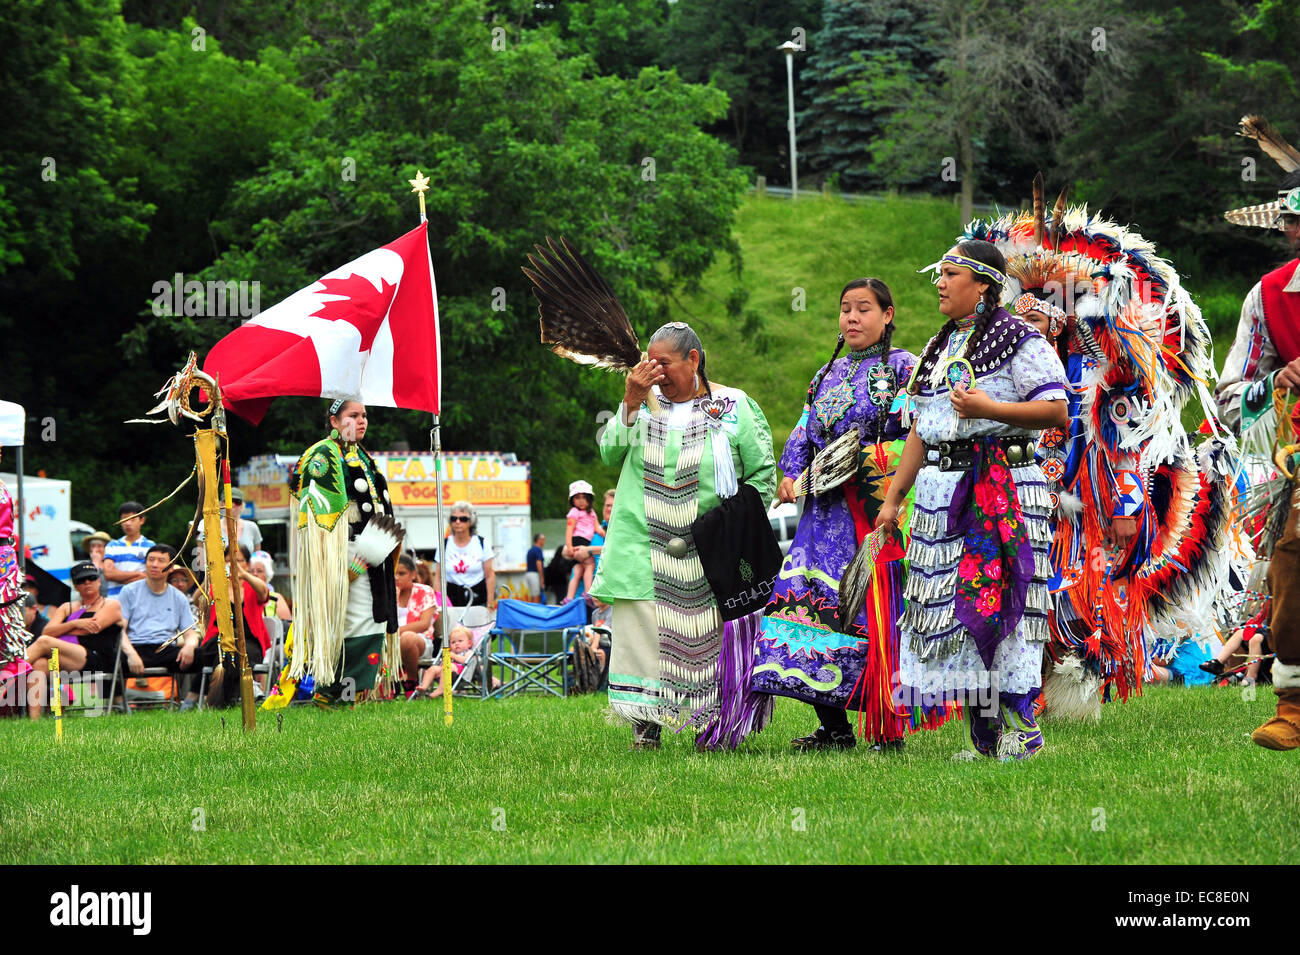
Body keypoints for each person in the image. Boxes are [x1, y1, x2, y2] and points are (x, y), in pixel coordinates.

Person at [985, 193, 1233, 721]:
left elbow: (1127, 443)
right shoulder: (1015, 368)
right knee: (1025, 586)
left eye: (1038, 322)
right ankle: (1028, 692)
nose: (1026, 332)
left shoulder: (1107, 372)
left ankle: (1069, 693)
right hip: (1029, 496)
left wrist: (1126, 506)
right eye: (1020, 323)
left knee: (1078, 593)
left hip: (1087, 507)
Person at [877, 240, 1068, 760]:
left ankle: (1025, 730)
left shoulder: (1019, 340)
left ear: (982, 284)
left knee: (1002, 597)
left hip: (1001, 487)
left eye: (950, 274)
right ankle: (984, 739)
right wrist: (895, 498)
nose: (939, 282)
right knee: (953, 610)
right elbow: (922, 427)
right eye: (937, 274)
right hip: (942, 492)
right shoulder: (939, 347)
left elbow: (1056, 411)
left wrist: (990, 406)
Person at [754, 278, 945, 751]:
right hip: (823, 516)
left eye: (864, 309)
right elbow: (804, 428)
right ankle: (835, 729)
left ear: (887, 315)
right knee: (808, 607)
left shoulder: (907, 369)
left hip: (875, 511)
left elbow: (921, 434)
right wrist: (791, 472)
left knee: (875, 615)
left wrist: (876, 475)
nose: (852, 318)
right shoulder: (826, 374)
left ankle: (888, 728)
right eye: (845, 310)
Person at [590, 321, 777, 750]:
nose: (654, 372)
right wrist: (630, 402)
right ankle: (646, 725)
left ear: (693, 360)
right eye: (647, 364)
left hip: (709, 549)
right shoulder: (640, 404)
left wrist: (733, 526)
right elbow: (609, 453)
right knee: (643, 635)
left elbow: (763, 472)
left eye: (664, 364)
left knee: (709, 640)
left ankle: (708, 724)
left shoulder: (733, 405)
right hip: (643, 543)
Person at [1214, 117, 1300, 749]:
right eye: (1289, 222)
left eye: (1296, 220)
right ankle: (1294, 705)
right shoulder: (1268, 297)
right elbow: (1227, 402)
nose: (1291, 231)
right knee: (1292, 563)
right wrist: (1275, 384)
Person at [264, 399, 403, 710]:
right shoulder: (323, 455)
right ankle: (333, 695)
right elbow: (319, 518)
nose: (362, 421)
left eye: (365, 415)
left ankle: (351, 695)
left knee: (372, 620)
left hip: (371, 554)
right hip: (343, 554)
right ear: (334, 420)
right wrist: (339, 566)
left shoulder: (361, 456)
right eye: (353, 415)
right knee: (350, 623)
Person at [22, 561, 123, 718]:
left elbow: (90, 629)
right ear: (75, 586)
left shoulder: (110, 604)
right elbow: (47, 631)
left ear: (99, 581)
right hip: (70, 658)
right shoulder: (67, 607)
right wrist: (75, 623)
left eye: (91, 578)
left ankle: (8, 673)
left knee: (44, 643)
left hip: (97, 658)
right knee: (40, 664)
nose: (87, 582)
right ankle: (34, 721)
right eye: (81, 580)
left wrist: (63, 628)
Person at [191, 544, 270, 710]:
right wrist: (208, 579)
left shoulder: (252, 586)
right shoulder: (217, 588)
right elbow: (197, 600)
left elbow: (264, 592)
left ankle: (216, 702)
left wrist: (243, 574)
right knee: (226, 649)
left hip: (249, 642)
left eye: (238, 560)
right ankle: (234, 698)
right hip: (217, 640)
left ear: (247, 564)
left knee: (232, 652)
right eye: (227, 561)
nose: (232, 564)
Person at [118, 544, 202, 691]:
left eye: (161, 561)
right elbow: (120, 630)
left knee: (206, 655)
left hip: (166, 649)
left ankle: (192, 699)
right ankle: (118, 702)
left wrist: (189, 646)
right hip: (136, 646)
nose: (155, 565)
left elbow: (190, 632)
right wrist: (131, 654)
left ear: (170, 568)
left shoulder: (178, 597)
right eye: (151, 560)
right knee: (107, 657)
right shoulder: (129, 591)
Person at [0, 463, 29, 715]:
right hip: (4, 555)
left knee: (7, 622)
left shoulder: (1, 485)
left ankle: (10, 668)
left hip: (4, 557)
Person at [395, 553, 443, 698]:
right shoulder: (386, 592)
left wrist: (394, 632)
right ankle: (388, 682)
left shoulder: (424, 591)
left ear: (413, 574)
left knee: (407, 638)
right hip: (389, 640)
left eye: (401, 573)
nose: (396, 577)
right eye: (393, 574)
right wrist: (393, 599)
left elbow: (423, 624)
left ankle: (411, 680)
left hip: (421, 641)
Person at [434, 501, 495, 610]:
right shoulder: (444, 545)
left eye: (463, 519)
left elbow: (489, 575)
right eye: (454, 519)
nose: (458, 522)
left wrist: (490, 604)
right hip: (452, 600)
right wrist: (439, 604)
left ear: (471, 521)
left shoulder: (482, 543)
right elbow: (438, 577)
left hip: (478, 599)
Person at [103, 501, 153, 599]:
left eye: (132, 519)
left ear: (142, 520)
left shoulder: (151, 546)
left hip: (140, 600)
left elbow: (150, 576)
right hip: (115, 601)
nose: (128, 523)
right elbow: (108, 574)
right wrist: (138, 573)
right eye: (124, 519)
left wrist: (118, 576)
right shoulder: (112, 545)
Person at [563, 481, 598, 603]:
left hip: (585, 543)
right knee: (590, 564)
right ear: (572, 500)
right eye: (577, 498)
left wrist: (606, 534)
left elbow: (597, 528)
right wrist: (569, 546)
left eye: (584, 497)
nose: (581, 501)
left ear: (589, 499)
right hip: (577, 541)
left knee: (578, 568)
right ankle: (588, 592)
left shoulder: (592, 513)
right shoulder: (574, 512)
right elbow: (569, 529)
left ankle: (569, 597)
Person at [247, 551, 291, 621]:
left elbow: (287, 626)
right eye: (251, 571)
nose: (255, 574)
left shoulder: (276, 598)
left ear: (267, 575)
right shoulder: (243, 597)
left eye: (259, 571)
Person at [525, 533, 546, 603]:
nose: (544, 541)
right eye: (543, 539)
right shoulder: (538, 550)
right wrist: (542, 578)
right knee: (536, 595)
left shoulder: (531, 549)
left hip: (529, 574)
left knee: (533, 594)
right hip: (534, 574)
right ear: (538, 540)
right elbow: (539, 564)